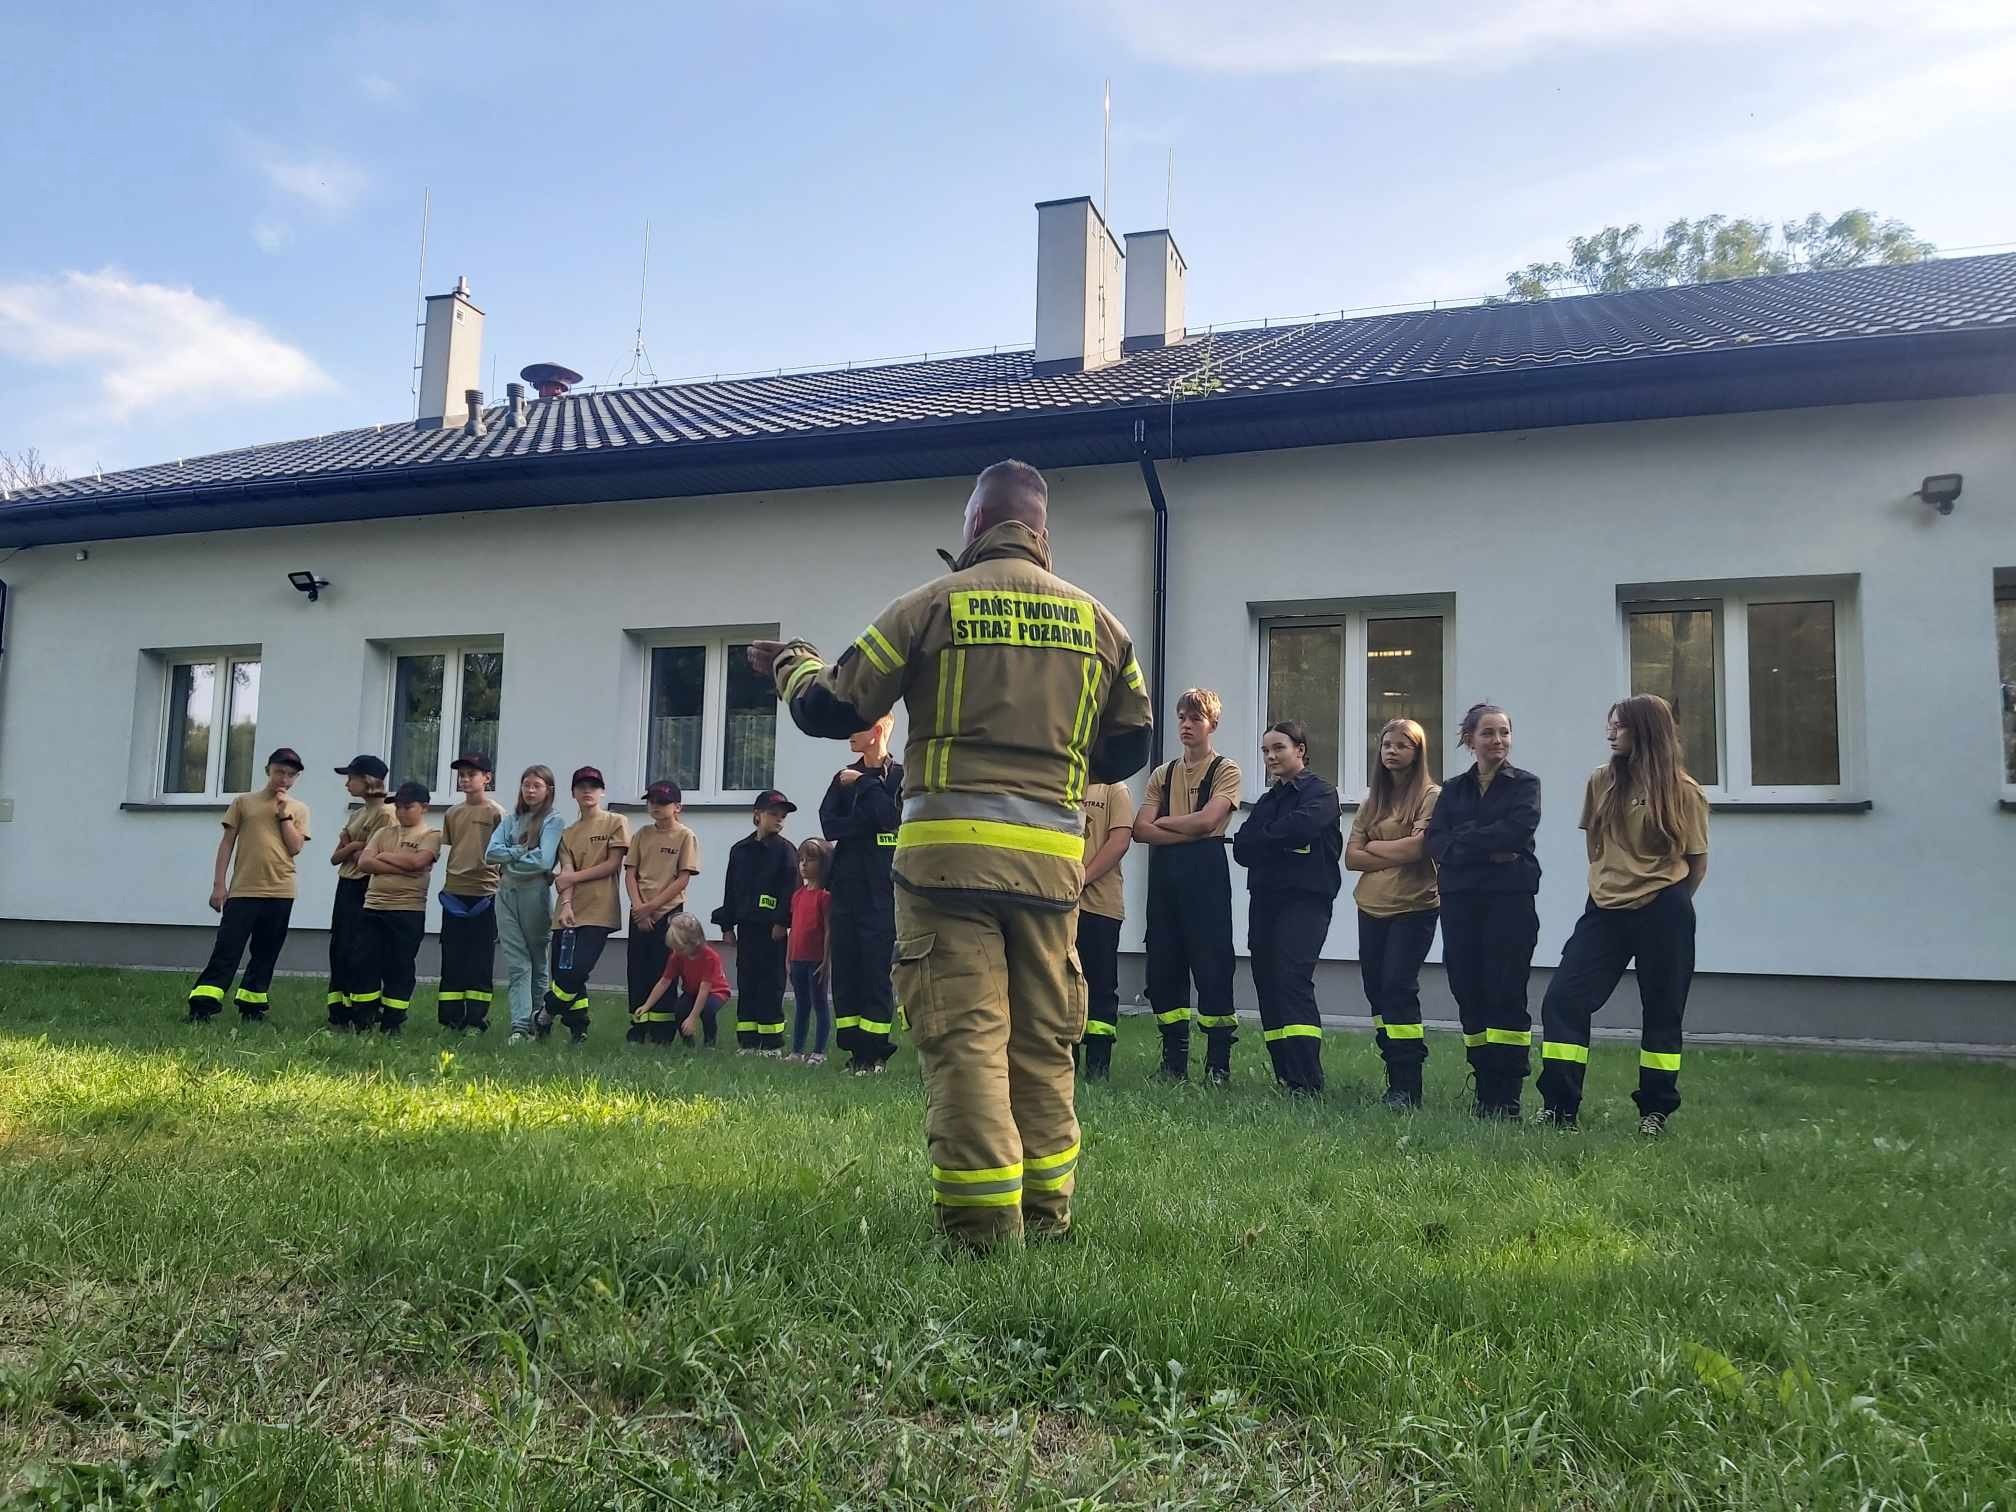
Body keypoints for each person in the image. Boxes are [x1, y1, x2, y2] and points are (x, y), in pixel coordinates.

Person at [752, 458, 1154, 1251]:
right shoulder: (1102, 625)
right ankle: (1046, 1216)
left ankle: (979, 1229)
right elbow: (1129, 744)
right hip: (1049, 870)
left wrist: (788, 662)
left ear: (973, 526)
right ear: (1042, 532)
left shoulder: (932, 604)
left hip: (945, 867)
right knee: (1043, 1042)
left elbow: (832, 706)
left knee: (968, 1037)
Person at [1538, 695, 1710, 1135]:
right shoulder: (1600, 781)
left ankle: (1655, 1111)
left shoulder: (1683, 791)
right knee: (1564, 999)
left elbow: (1696, 864)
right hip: (1604, 911)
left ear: (1646, 731)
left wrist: (1660, 896)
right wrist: (1612, 883)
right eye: (1609, 725)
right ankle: (1559, 1108)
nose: (1610, 733)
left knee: (1662, 1010)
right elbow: (1594, 845)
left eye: (1619, 726)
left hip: (1664, 910)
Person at [1424, 703, 1542, 1119]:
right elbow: (1436, 840)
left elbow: (1517, 831)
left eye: (1504, 733)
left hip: (1509, 900)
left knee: (1506, 992)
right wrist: (1485, 848)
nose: (1498, 741)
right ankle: (1483, 1086)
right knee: (1468, 989)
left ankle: (1507, 1095)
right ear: (1469, 739)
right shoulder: (1452, 790)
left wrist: (1463, 841)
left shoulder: (1525, 785)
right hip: (1461, 902)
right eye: (1488, 733)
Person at [1133, 689, 1242, 1083]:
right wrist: (1188, 828)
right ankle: (1173, 1060)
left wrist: (1167, 824)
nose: (1185, 725)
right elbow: (1140, 831)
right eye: (1181, 717)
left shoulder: (1226, 770)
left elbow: (1208, 822)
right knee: (1163, 964)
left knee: (1212, 964)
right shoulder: (1162, 774)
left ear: (1211, 724)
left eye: (1195, 718)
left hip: (1206, 874)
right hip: (1165, 877)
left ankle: (1217, 1064)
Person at [1231, 721, 1342, 1094]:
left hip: (1305, 900)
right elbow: (1243, 847)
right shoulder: (1268, 801)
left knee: (1292, 980)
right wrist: (1275, 840)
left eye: (1278, 748)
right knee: (1268, 982)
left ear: (1300, 749)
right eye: (1265, 751)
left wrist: (1268, 839)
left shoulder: (1322, 792)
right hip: (1266, 900)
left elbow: (1302, 828)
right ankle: (1285, 1074)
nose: (1271, 757)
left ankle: (1307, 1080)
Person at [1345, 719, 1443, 1109]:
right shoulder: (1373, 801)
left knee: (1398, 988)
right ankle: (1393, 1073)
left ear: (1417, 751)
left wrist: (1377, 850)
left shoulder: (1432, 796)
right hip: (1371, 907)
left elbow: (1418, 851)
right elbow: (1351, 857)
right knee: (1376, 991)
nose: (1392, 750)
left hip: (1414, 907)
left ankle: (1408, 1084)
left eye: (1402, 745)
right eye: (1386, 744)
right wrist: (1395, 849)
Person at [187, 747, 310, 1023]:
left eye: (291, 775)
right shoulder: (244, 803)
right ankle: (203, 1005)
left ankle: (252, 1006)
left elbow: (295, 847)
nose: (284, 779)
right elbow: (227, 844)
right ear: (268, 770)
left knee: (266, 952)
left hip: (281, 890)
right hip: (244, 890)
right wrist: (219, 885)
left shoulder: (299, 809)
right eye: (280, 771)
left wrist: (284, 815)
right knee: (227, 948)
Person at [819, 715, 904, 1074]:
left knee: (875, 971)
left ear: (879, 730)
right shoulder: (842, 777)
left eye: (857, 728)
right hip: (846, 888)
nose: (849, 735)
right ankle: (855, 1053)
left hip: (882, 891)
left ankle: (876, 1055)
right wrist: (865, 824)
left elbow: (892, 817)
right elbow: (830, 825)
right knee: (848, 972)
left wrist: (866, 785)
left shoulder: (900, 777)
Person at [540, 766, 629, 1044]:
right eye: (581, 786)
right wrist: (565, 905)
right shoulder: (568, 833)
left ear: (602, 791)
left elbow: (612, 864)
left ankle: (544, 1013)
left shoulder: (616, 821)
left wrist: (572, 877)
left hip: (600, 910)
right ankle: (579, 1027)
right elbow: (565, 869)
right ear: (573, 793)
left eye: (593, 786)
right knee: (564, 972)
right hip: (568, 911)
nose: (587, 790)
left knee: (579, 969)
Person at [712, 791, 800, 1053]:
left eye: (783, 816)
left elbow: (790, 891)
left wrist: (782, 922)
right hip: (747, 927)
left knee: (771, 981)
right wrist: (727, 926)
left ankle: (771, 1042)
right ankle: (748, 1040)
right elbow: (730, 890)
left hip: (773, 930)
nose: (779, 820)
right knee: (747, 979)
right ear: (757, 815)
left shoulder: (786, 851)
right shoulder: (740, 851)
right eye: (773, 814)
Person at [354, 781, 443, 1034]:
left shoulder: (431, 835)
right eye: (399, 807)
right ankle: (364, 1018)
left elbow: (419, 862)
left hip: (407, 910)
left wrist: (383, 857)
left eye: (408, 807)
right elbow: (364, 863)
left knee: (399, 965)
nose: (402, 812)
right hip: (373, 907)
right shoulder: (383, 833)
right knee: (365, 963)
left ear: (424, 807)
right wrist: (402, 865)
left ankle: (393, 1021)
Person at [487, 765, 565, 1045]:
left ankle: (537, 1021)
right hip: (506, 893)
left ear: (548, 790)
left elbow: (545, 861)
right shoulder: (510, 819)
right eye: (526, 785)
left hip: (534, 893)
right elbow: (490, 853)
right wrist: (519, 852)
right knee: (517, 963)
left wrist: (509, 859)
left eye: (537, 786)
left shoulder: (553, 821)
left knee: (536, 959)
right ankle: (519, 1026)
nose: (530, 791)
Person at [437, 752, 505, 1034]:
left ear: (486, 778)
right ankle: (451, 1019)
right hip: (454, 893)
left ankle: (476, 1020)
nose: (465, 780)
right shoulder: (452, 813)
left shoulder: (496, 813)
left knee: (479, 959)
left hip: (484, 894)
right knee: (453, 957)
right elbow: (453, 846)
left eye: (471, 775)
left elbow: (505, 854)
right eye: (461, 775)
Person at [625, 781, 701, 1025]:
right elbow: (630, 873)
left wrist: (652, 908)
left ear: (678, 806)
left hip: (667, 912)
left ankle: (662, 1027)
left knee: (664, 969)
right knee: (637, 969)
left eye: (662, 802)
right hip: (639, 911)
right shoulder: (641, 834)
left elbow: (682, 878)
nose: (655, 806)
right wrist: (639, 907)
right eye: (652, 801)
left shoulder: (685, 836)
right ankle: (638, 1024)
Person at [1074, 779, 1134, 1080]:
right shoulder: (1062, 780)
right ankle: (1064, 1061)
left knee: (1099, 986)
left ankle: (1098, 1066)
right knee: (1060, 986)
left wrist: (1080, 878)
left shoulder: (1114, 789)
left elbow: (1119, 842)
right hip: (1059, 906)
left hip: (1100, 906)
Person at [325, 754, 391, 1030]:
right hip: (346, 884)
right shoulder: (357, 813)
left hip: (367, 885)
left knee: (360, 949)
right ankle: (339, 1011)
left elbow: (372, 855)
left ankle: (364, 1012)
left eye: (351, 778)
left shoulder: (386, 814)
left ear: (368, 781)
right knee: (339, 946)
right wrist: (352, 847)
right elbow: (337, 856)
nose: (346, 784)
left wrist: (353, 847)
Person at [629, 912, 734, 1047]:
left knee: (707, 1010)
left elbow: (704, 990)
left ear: (693, 942)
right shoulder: (677, 956)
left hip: (715, 992)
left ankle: (710, 1044)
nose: (676, 951)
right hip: (692, 991)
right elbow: (664, 982)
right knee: (679, 1009)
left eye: (680, 948)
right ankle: (688, 1043)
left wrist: (692, 1017)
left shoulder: (709, 957)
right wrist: (646, 1005)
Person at [787, 839, 834, 1063]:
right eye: (801, 860)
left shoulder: (825, 897)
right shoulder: (797, 896)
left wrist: (826, 960)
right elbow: (793, 929)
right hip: (797, 959)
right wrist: (788, 958)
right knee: (801, 1005)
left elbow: (828, 931)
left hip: (816, 960)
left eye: (810, 860)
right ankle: (796, 1051)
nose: (804, 865)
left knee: (820, 1004)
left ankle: (819, 1052)